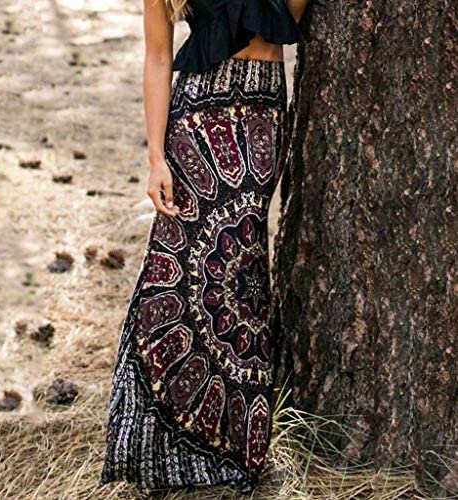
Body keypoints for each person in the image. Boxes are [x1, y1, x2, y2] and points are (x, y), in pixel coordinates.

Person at [99, 0, 308, 494]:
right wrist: (156, 159)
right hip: (195, 118)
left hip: (261, 111)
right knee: (174, 268)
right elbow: (157, 57)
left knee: (241, 276)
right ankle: (153, 442)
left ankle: (237, 443)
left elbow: (293, 12)